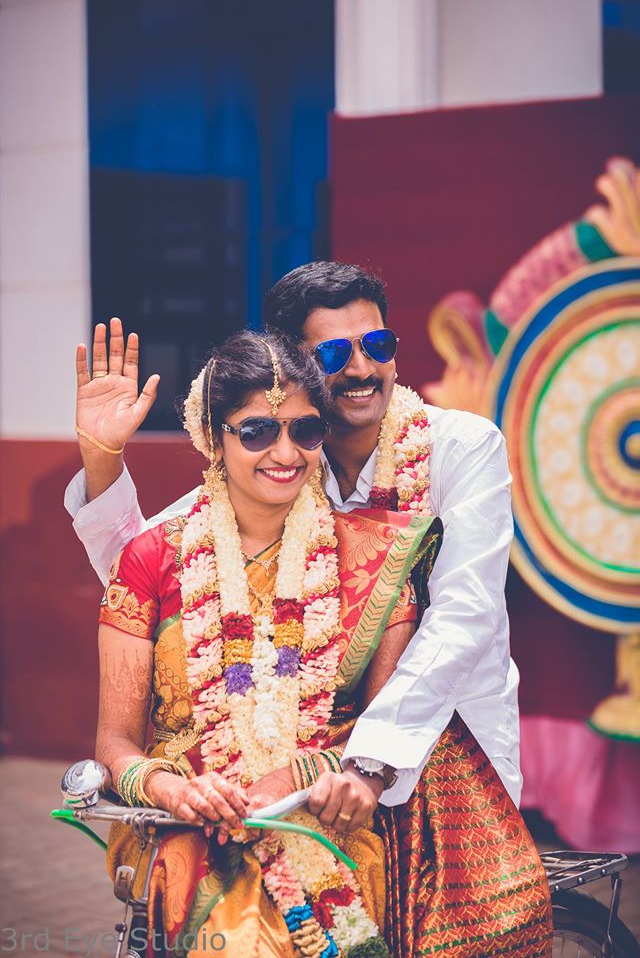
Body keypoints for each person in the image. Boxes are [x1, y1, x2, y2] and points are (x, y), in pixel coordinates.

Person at [68, 264, 553, 957]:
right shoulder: (281, 467)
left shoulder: (459, 448)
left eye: (377, 345)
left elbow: (465, 617)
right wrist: (101, 455)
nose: (360, 369)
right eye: (332, 354)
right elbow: (148, 562)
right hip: (267, 790)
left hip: (422, 749)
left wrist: (364, 764)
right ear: (295, 367)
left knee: (454, 936)